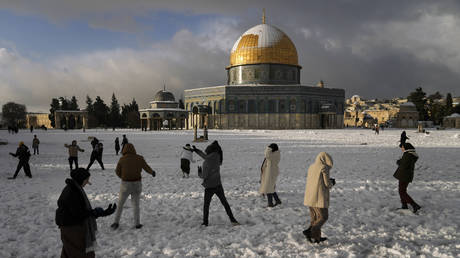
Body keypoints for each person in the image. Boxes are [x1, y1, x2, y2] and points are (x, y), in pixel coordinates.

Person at [56, 168, 116, 258]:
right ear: (81, 179)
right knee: (82, 253)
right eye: (86, 180)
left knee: (69, 251)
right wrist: (96, 213)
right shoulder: (72, 192)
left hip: (69, 226)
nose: (88, 182)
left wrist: (101, 213)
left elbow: (80, 212)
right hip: (71, 228)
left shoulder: (75, 188)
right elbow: (79, 214)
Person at [192, 141, 239, 226]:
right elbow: (206, 156)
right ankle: (233, 220)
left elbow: (204, 176)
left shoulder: (206, 162)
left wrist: (199, 172)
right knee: (225, 203)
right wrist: (196, 150)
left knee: (206, 205)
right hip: (218, 184)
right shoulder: (217, 156)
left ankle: (205, 222)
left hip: (209, 186)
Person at [111, 143, 155, 230]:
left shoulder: (122, 159)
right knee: (136, 204)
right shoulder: (139, 158)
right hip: (137, 184)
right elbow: (146, 167)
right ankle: (137, 223)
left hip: (125, 184)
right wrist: (152, 172)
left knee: (120, 204)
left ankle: (116, 222)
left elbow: (117, 171)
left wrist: (123, 177)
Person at [303, 152, 336, 244]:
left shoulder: (311, 167)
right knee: (323, 217)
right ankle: (310, 231)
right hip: (319, 197)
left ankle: (316, 237)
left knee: (314, 218)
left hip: (310, 197)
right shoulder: (324, 168)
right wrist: (332, 182)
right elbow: (327, 184)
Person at [393, 142, 421, 213]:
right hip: (405, 175)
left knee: (402, 191)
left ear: (406, 148)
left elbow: (403, 165)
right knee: (401, 191)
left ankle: (414, 205)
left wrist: (399, 162)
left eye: (402, 147)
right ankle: (404, 205)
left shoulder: (408, 155)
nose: (402, 149)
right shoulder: (409, 154)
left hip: (404, 175)